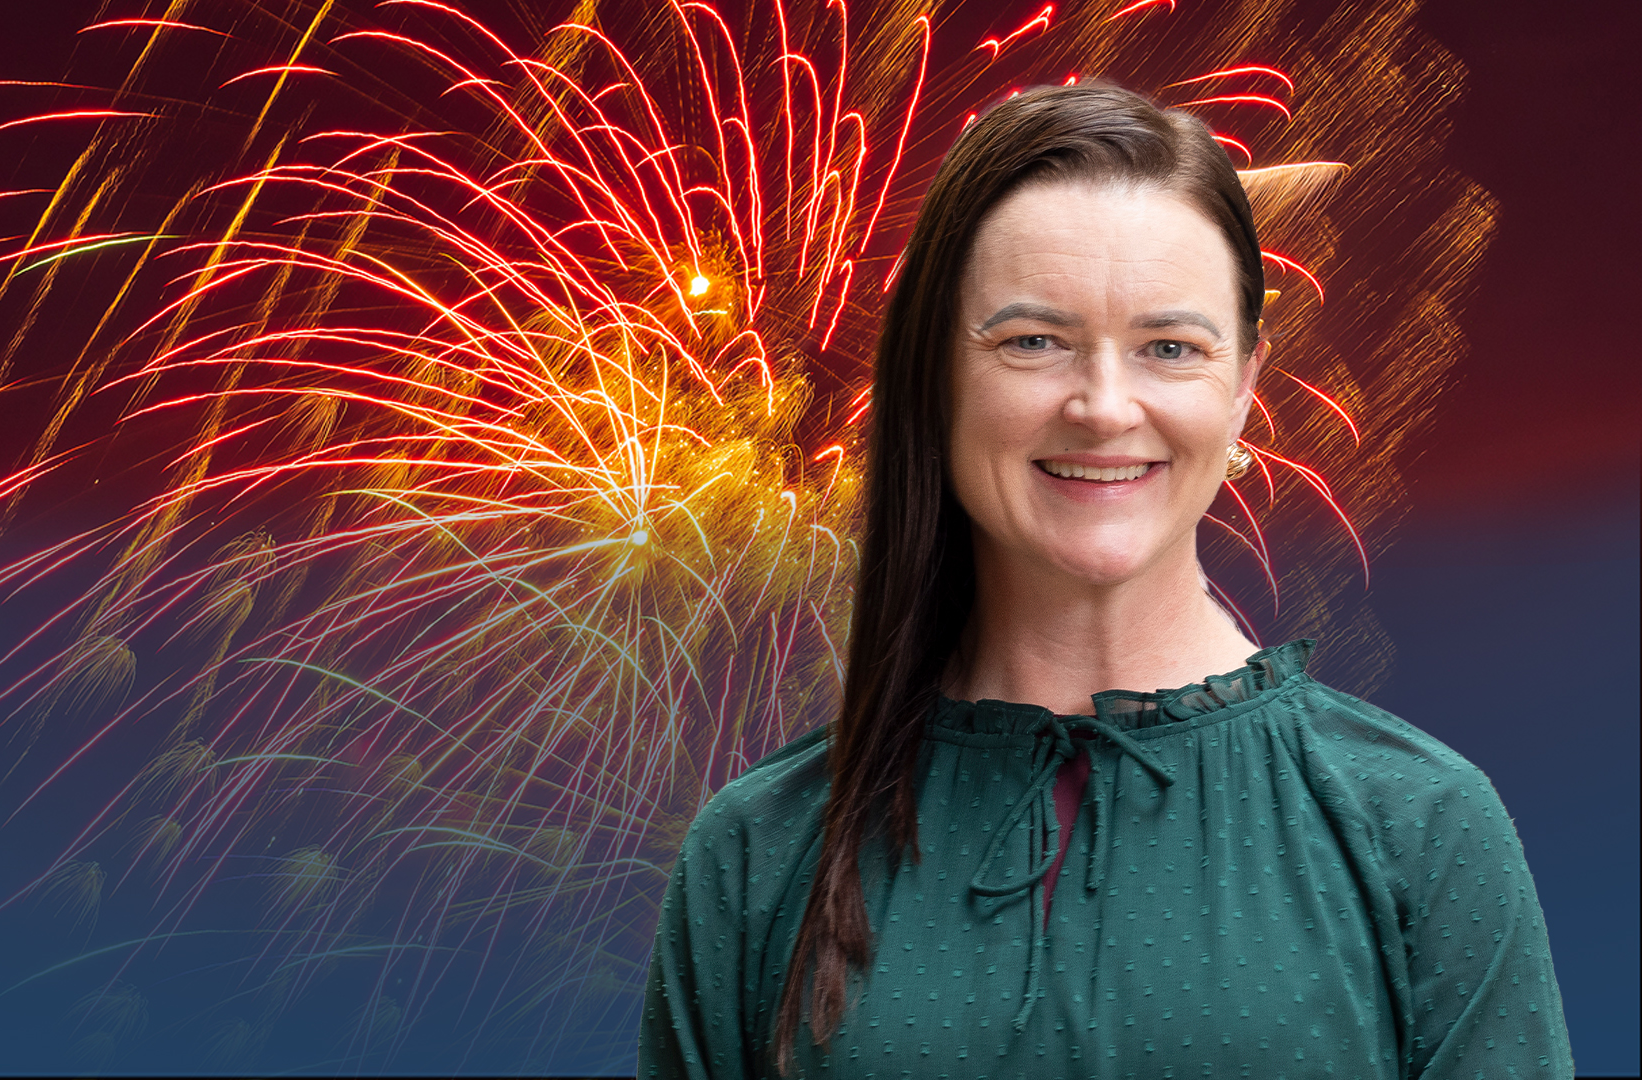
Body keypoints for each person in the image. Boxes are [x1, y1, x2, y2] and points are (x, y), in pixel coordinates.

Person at [636, 84, 1570, 1078]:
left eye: (1170, 347)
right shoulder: (757, 852)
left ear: (1246, 385)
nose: (1104, 406)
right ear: (935, 372)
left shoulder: (1422, 830)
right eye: (1033, 341)